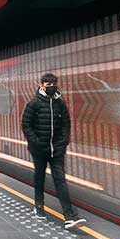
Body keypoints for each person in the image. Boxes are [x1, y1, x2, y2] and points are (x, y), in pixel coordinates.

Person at [21, 72, 87, 229]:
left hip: (56, 150)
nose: (51, 87)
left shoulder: (60, 104)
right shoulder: (34, 104)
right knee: (40, 177)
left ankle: (69, 216)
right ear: (41, 85)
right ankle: (39, 206)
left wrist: (62, 143)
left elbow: (66, 124)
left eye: (53, 84)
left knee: (60, 181)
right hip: (39, 150)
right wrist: (36, 142)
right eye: (47, 84)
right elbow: (26, 125)